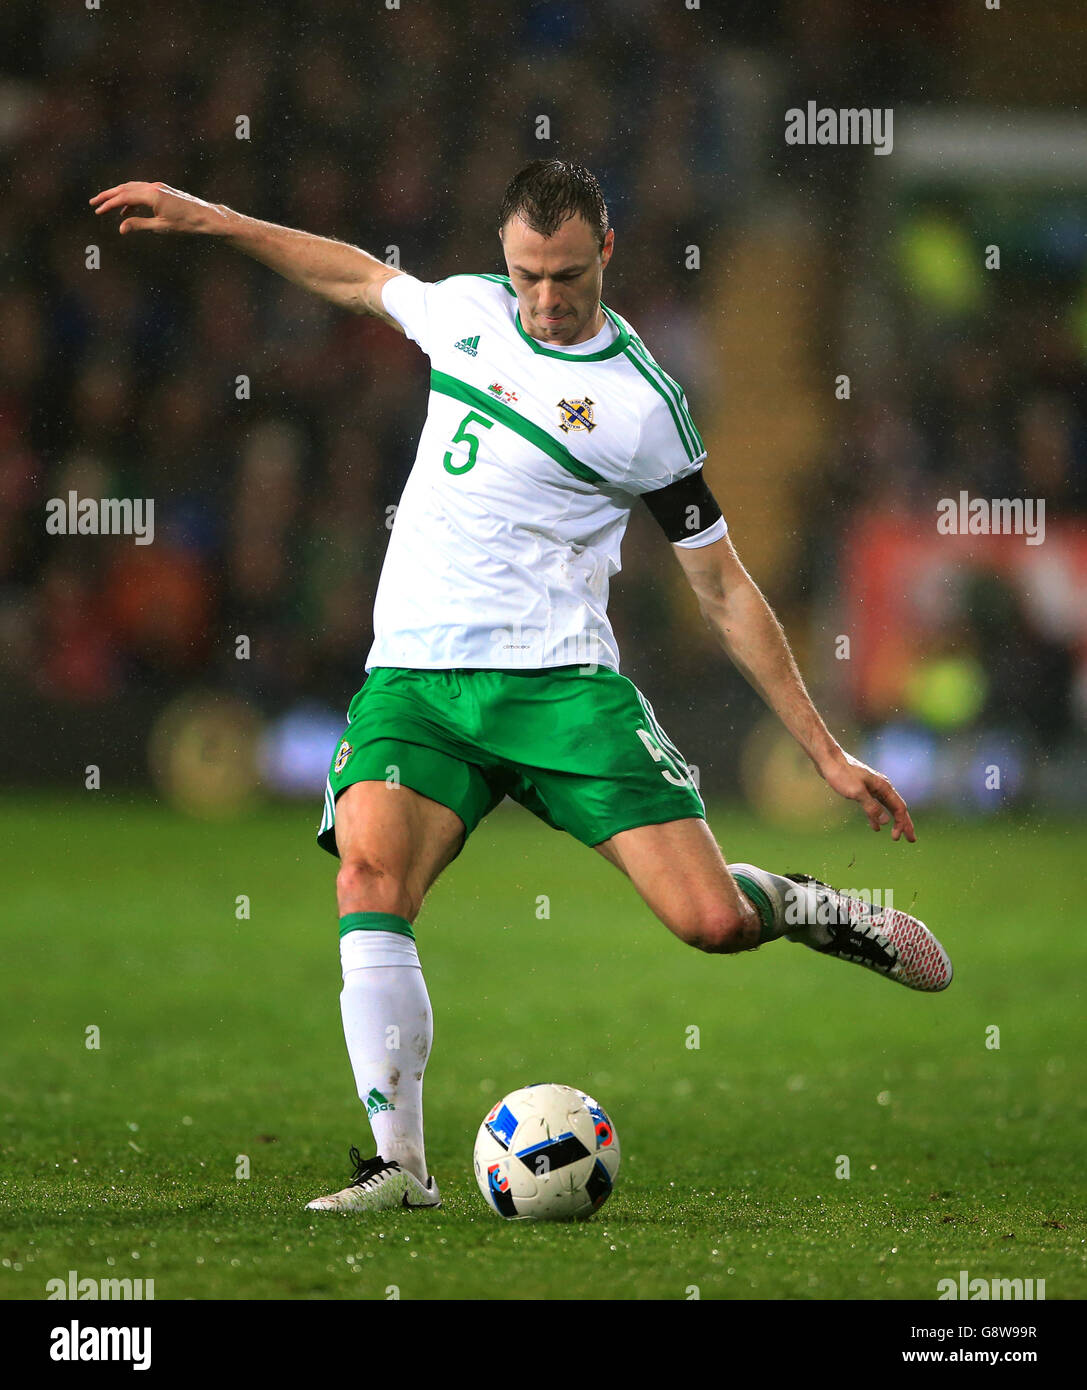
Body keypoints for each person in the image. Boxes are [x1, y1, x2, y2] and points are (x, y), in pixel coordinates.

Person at [90, 159, 952, 1215]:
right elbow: (356, 276)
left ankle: (800, 903)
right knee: (369, 881)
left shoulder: (645, 407)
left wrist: (825, 750)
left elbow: (722, 588)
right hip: (417, 678)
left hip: (561, 687)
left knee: (710, 924)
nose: (544, 300)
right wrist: (213, 216)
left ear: (607, 254)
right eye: (527, 275)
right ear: (505, 259)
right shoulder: (466, 315)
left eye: (568, 279)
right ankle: (398, 1165)